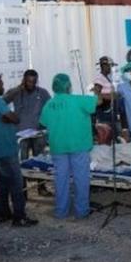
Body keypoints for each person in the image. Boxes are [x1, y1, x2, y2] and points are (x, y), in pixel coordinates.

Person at [39, 73, 99, 219]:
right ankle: (82, 211)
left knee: (61, 180)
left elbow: (44, 122)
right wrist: (96, 91)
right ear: (68, 86)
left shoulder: (49, 104)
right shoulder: (78, 100)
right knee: (81, 179)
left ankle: (61, 211)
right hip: (78, 146)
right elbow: (96, 103)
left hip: (58, 148)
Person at [0, 75, 37, 227]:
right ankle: (19, 217)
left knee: (3, 184)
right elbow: (14, 118)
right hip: (6, 148)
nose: (3, 86)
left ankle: (3, 213)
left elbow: (7, 104)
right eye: (0, 84)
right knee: (16, 184)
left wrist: (19, 88)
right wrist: (12, 117)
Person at [5, 69, 52, 196]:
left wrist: (45, 125)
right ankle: (22, 190)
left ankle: (41, 187)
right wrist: (17, 89)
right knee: (22, 162)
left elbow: (50, 108)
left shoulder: (42, 92)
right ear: (24, 80)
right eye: (29, 81)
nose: (31, 84)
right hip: (21, 134)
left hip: (38, 133)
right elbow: (4, 100)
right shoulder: (16, 92)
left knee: (40, 161)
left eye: (34, 81)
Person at [93, 56, 121, 131]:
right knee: (107, 134)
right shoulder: (99, 78)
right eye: (109, 66)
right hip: (105, 112)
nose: (110, 68)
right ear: (104, 66)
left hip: (111, 111)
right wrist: (112, 96)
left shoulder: (106, 78)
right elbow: (97, 94)